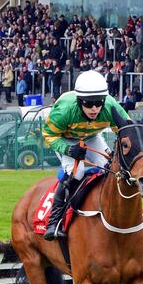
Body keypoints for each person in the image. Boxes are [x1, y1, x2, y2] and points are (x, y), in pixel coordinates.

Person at [41, 70, 126, 241]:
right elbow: (48, 135)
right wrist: (68, 150)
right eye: (88, 104)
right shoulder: (64, 110)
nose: (94, 109)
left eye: (98, 103)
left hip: (92, 136)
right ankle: (54, 221)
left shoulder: (111, 106)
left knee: (111, 168)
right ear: (79, 102)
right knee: (77, 172)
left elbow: (127, 131)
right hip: (65, 138)